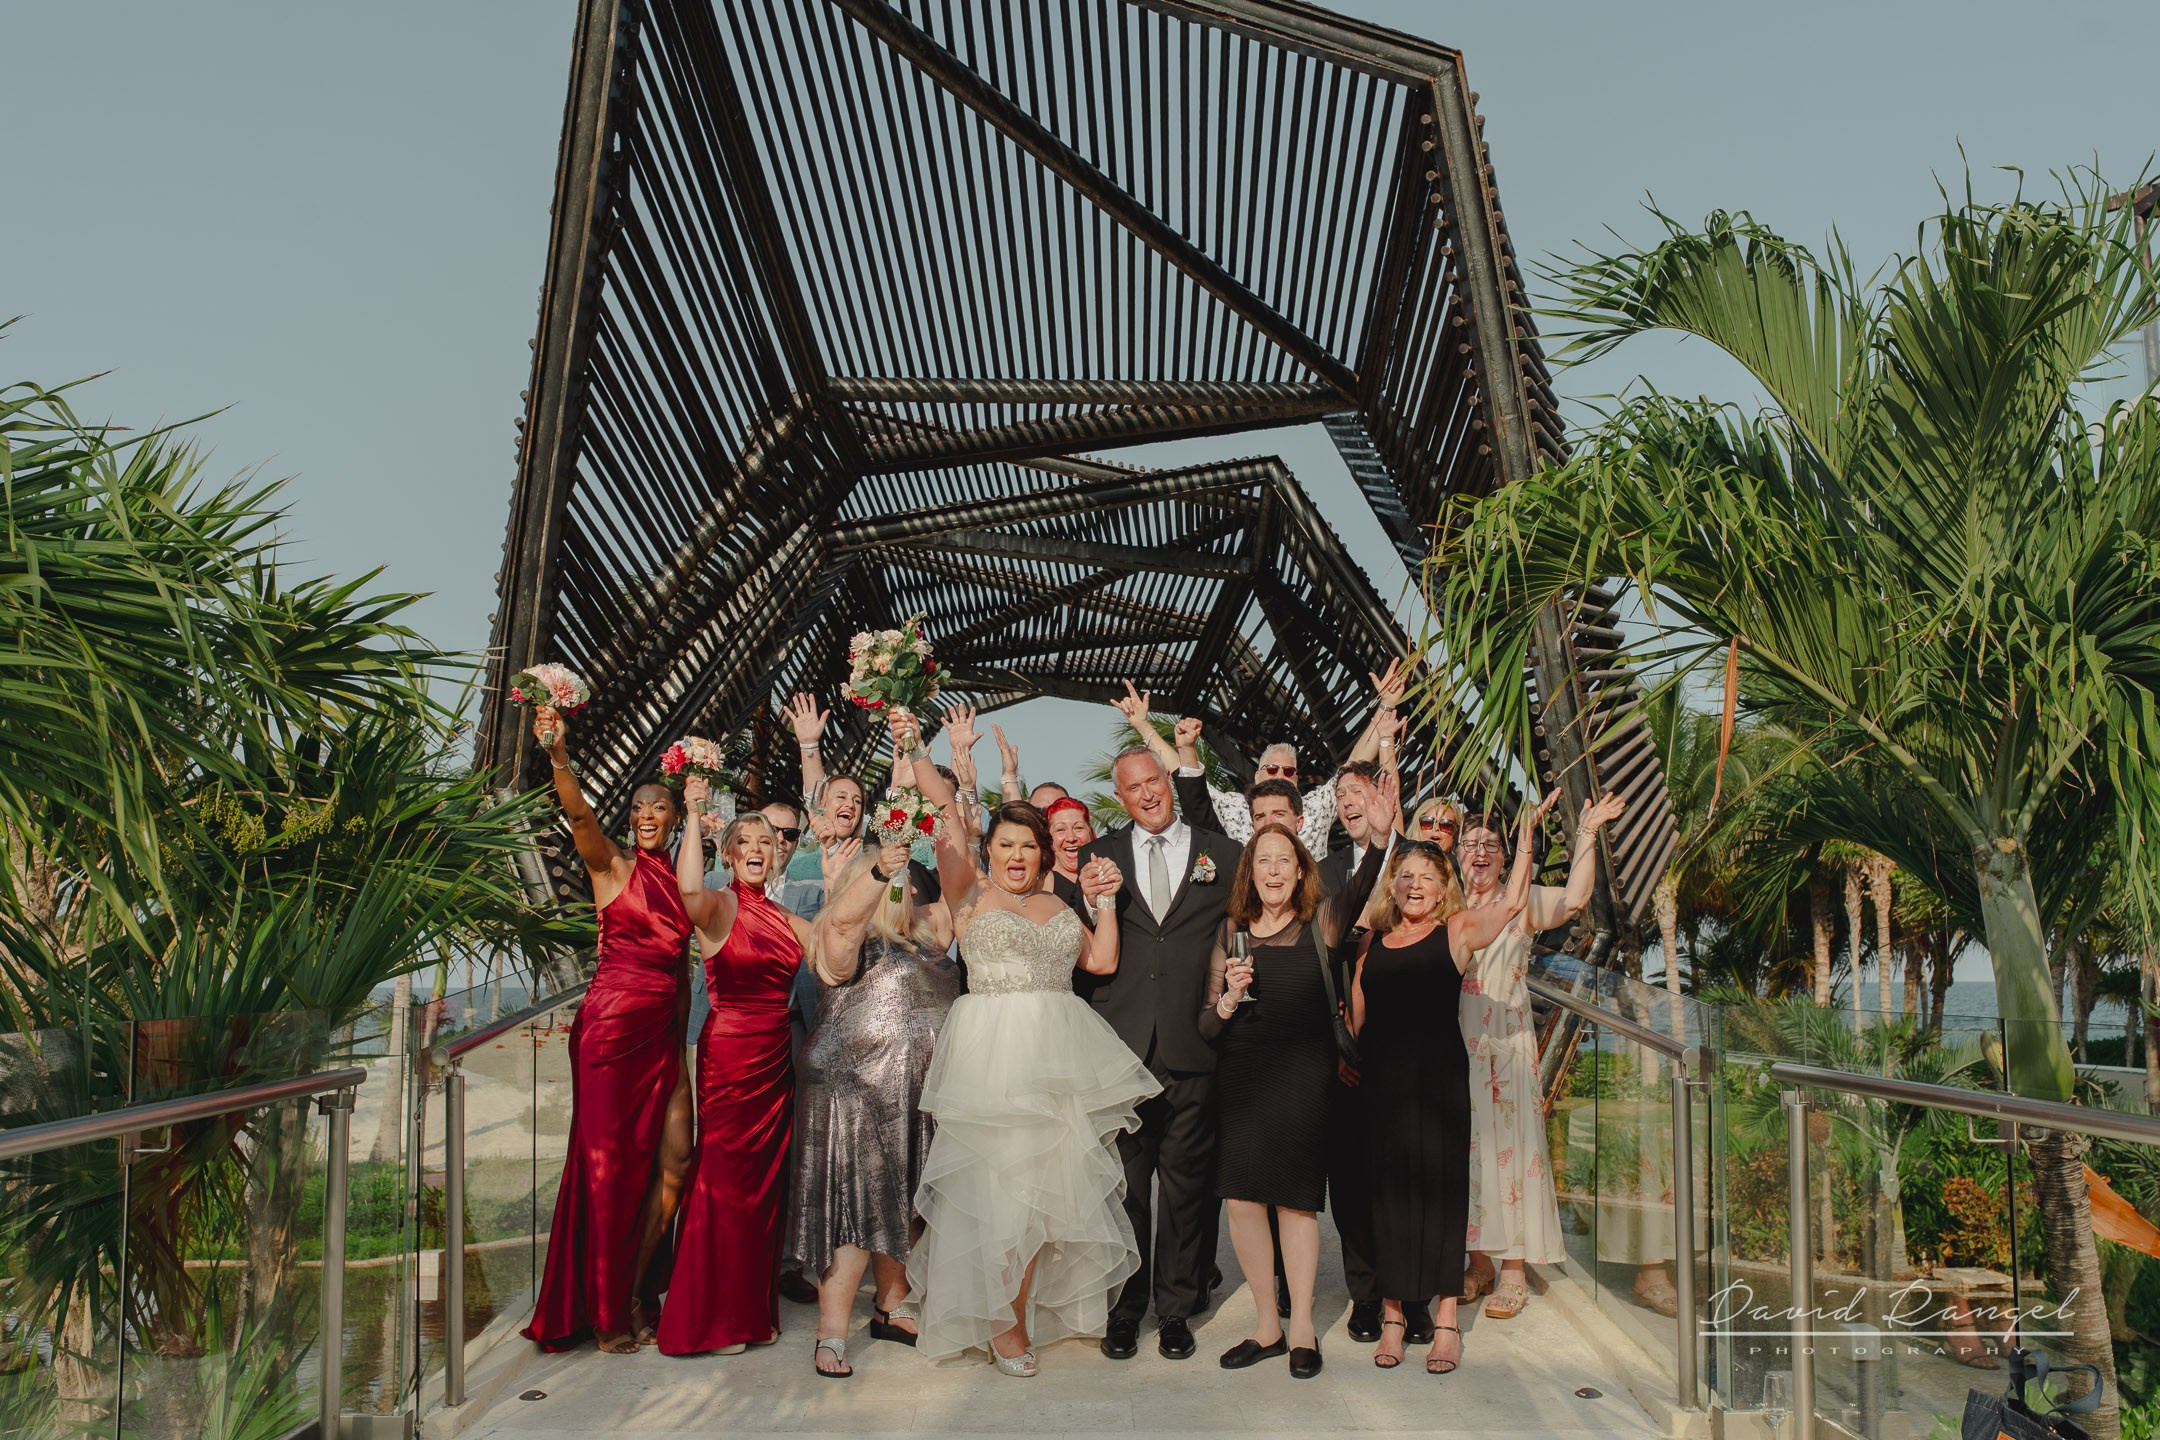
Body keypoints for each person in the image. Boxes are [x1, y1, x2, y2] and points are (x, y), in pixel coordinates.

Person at [904, 730, 1154, 1377]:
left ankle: (1013, 1313)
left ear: (1044, 853)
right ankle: (1002, 1325)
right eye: (1006, 845)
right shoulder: (969, 890)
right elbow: (946, 810)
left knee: (1048, 1200)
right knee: (997, 1194)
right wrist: (911, 740)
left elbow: (1101, 959)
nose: (1017, 856)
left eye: (1028, 845)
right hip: (993, 1058)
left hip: (1059, 1057)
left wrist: (1103, 904)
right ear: (989, 849)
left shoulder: (1058, 901)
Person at [1351, 796, 1552, 1374]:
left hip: (1439, 1084)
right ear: (1393, 888)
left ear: (1445, 887)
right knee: (1388, 1200)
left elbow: (1514, 902)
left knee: (1442, 1202)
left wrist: (1529, 835)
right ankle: (1393, 1316)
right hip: (1384, 1088)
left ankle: (1444, 1323)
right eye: (1405, 877)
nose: (1415, 886)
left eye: (1426, 877)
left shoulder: (1458, 931)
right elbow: (1357, 1022)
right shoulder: (1376, 946)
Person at [522, 708, 695, 1354]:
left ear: (675, 819)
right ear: (631, 819)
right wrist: (560, 758)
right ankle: (607, 1310)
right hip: (607, 1036)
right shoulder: (610, 866)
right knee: (610, 1173)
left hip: (661, 1039)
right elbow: (579, 819)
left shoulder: (679, 885)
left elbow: (680, 975)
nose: (649, 816)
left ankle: (631, 1285)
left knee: (677, 1157)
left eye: (661, 809)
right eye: (640, 809)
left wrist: (680, 1048)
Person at [1200, 804, 1392, 1380]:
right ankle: (1266, 1326)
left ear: (1302, 870)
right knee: (1241, 1201)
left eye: (1286, 861)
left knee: (1295, 1201)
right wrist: (1230, 997)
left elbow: (1363, 883)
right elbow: (1208, 1024)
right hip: (1240, 1078)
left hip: (1305, 1078)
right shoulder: (1230, 932)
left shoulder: (1323, 923)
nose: (1275, 871)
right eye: (1265, 861)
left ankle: (1303, 1325)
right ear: (1250, 871)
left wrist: (1380, 837)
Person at [1076, 744, 1244, 1363]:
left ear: (1168, 782)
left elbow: (1238, 934)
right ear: (1118, 798)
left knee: (1184, 1190)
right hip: (1121, 1051)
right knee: (1125, 1189)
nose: (1147, 794)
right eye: (1133, 787)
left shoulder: (1221, 855)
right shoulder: (1097, 858)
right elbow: (1084, 948)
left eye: (1155, 781)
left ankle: (1176, 1309)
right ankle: (1124, 1311)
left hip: (1193, 1044)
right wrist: (1087, 897)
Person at [657, 792, 832, 1356]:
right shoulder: (715, 906)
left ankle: (750, 1313)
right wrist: (689, 813)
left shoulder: (786, 917)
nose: (757, 849)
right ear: (728, 855)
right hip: (729, 1056)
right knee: (723, 1181)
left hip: (776, 1057)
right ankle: (707, 1317)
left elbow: (837, 955)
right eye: (745, 843)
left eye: (766, 843)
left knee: (761, 1189)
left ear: (777, 858)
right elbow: (685, 889)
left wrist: (876, 875)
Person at [790, 835, 962, 1378]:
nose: (899, 886)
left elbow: (961, 885)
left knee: (904, 1201)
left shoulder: (929, 934)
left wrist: (952, 804)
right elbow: (840, 924)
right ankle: (832, 1334)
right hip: (853, 1092)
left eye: (905, 879)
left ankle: (891, 1305)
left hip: (916, 1093)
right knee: (854, 1208)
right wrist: (878, 872)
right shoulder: (842, 938)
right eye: (885, 879)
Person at [1457, 795, 1626, 1321]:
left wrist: (1587, 834)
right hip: (1456, 1047)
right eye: (1470, 844)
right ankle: (1477, 1261)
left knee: (1511, 1157)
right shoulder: (1444, 903)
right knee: (1467, 1155)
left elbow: (1575, 899)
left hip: (1506, 1047)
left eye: (1491, 845)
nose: (1480, 853)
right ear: (1456, 853)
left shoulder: (1520, 900)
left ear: (1507, 856)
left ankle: (1512, 1270)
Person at [1315, 754, 1412, 1346]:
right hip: (1345, 1036)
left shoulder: (1420, 860)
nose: (1351, 803)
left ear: (1383, 796)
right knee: (1351, 1174)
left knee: (1405, 1171)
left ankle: (1412, 1292)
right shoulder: (1322, 871)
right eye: (1341, 796)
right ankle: (1366, 1293)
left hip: (1408, 1033)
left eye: (1360, 792)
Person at [1117, 662, 1406, 858]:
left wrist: (1386, 706)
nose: (1279, 775)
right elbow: (1187, 777)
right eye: (1271, 769)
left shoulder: (1315, 808)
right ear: (1257, 777)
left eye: (1288, 771)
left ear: (1296, 780)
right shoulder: (1234, 808)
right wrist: (1144, 726)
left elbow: (1353, 765)